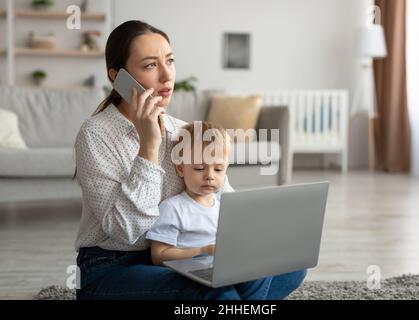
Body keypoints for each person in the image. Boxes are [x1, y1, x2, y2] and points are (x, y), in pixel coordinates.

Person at [74, 20, 307, 300]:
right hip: (109, 268)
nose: (166, 76)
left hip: (179, 258)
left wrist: (250, 244)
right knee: (211, 288)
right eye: (150, 65)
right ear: (118, 77)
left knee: (290, 266)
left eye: (169, 61)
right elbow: (127, 232)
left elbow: (224, 201)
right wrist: (149, 146)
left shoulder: (184, 132)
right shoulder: (96, 133)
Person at [148, 122, 231, 265]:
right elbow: (158, 255)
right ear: (181, 169)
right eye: (199, 168)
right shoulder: (172, 208)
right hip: (193, 270)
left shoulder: (224, 205)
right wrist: (201, 251)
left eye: (218, 169)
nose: (209, 176)